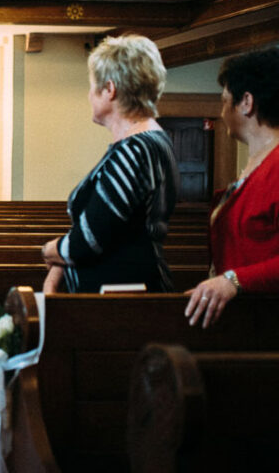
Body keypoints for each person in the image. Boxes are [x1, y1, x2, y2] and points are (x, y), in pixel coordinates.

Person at [42, 35, 179, 294]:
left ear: (109, 89)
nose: (88, 95)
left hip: (121, 300)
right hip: (122, 294)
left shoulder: (135, 149)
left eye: (92, 86)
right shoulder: (150, 141)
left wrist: (49, 250)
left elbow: (88, 241)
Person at [185, 47, 279, 328]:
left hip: (267, 325)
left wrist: (233, 281)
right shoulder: (258, 163)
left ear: (246, 102)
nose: (222, 111)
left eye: (225, 101)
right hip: (245, 320)